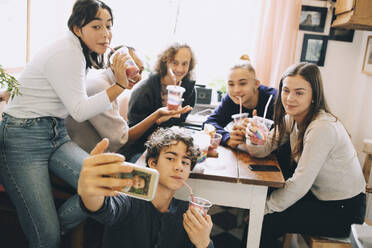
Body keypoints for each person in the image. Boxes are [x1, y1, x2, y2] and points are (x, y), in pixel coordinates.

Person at [0, 1, 133, 247]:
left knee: (102, 181)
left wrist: (8, 92)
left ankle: (45, 232)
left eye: (109, 26)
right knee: (47, 236)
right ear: (77, 28)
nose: (105, 33)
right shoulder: (68, 52)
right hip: (22, 139)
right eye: (96, 26)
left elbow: (43, 76)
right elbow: (80, 111)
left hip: (56, 133)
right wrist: (120, 87)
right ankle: (45, 234)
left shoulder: (76, 51)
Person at [241, 62, 366, 248]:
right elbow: (263, 150)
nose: (290, 98)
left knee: (264, 220)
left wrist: (263, 208)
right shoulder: (291, 119)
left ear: (314, 95)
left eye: (299, 93)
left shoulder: (322, 128)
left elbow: (300, 184)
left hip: (344, 210)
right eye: (285, 90)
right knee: (263, 209)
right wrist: (253, 137)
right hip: (319, 198)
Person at [77, 128, 214, 248]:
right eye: (170, 158)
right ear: (153, 163)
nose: (179, 167)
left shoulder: (187, 214)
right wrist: (90, 192)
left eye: (185, 162)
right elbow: (104, 208)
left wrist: (204, 243)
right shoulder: (129, 201)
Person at [66, 45, 192, 153]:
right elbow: (122, 139)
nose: (137, 76)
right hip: (82, 154)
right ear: (114, 63)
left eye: (141, 71)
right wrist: (157, 115)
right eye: (132, 67)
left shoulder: (107, 83)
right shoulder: (101, 87)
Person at [124, 43, 197, 162]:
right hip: (139, 150)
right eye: (174, 62)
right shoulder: (144, 91)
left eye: (185, 64)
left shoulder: (189, 91)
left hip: (169, 149)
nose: (179, 69)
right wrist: (158, 121)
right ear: (165, 62)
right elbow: (131, 136)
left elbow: (179, 125)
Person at [203, 55, 277, 149]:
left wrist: (259, 132)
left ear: (256, 84)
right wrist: (227, 138)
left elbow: (282, 136)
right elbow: (209, 123)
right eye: (231, 84)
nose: (236, 90)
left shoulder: (274, 100)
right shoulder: (230, 99)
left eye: (242, 83)